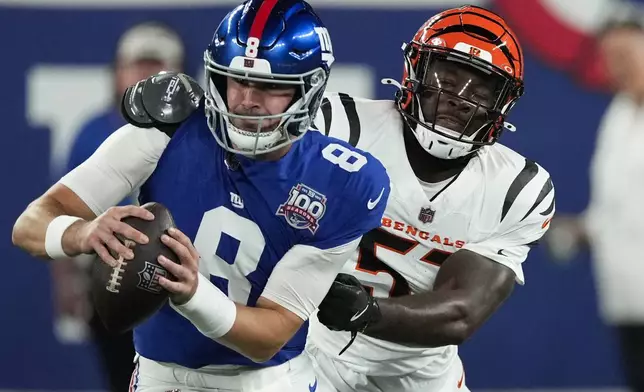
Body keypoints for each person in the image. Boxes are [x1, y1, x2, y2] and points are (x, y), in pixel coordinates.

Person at [11, 1, 390, 391]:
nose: (247, 100)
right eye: (237, 79)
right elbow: (30, 225)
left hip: (266, 382)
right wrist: (82, 232)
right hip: (160, 376)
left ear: (308, 90)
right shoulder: (167, 129)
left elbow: (269, 335)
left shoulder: (342, 182)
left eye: (269, 85)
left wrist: (193, 294)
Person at [306, 5, 555, 392]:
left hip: (422, 373)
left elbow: (461, 313)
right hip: (313, 350)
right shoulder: (340, 126)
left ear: (503, 104)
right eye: (448, 76)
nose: (460, 98)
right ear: (415, 72)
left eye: (481, 88)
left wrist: (366, 311)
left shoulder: (517, 189)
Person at [51, 21, 185, 392]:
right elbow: (61, 210)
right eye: (138, 66)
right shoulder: (94, 131)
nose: (146, 76)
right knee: (117, 376)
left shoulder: (197, 132)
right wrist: (66, 280)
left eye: (157, 68)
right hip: (106, 273)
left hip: (177, 272)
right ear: (117, 73)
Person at [544, 15, 644, 392]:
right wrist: (581, 229)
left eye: (626, 53)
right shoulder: (618, 114)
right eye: (610, 56)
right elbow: (616, 206)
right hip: (625, 295)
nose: (618, 65)